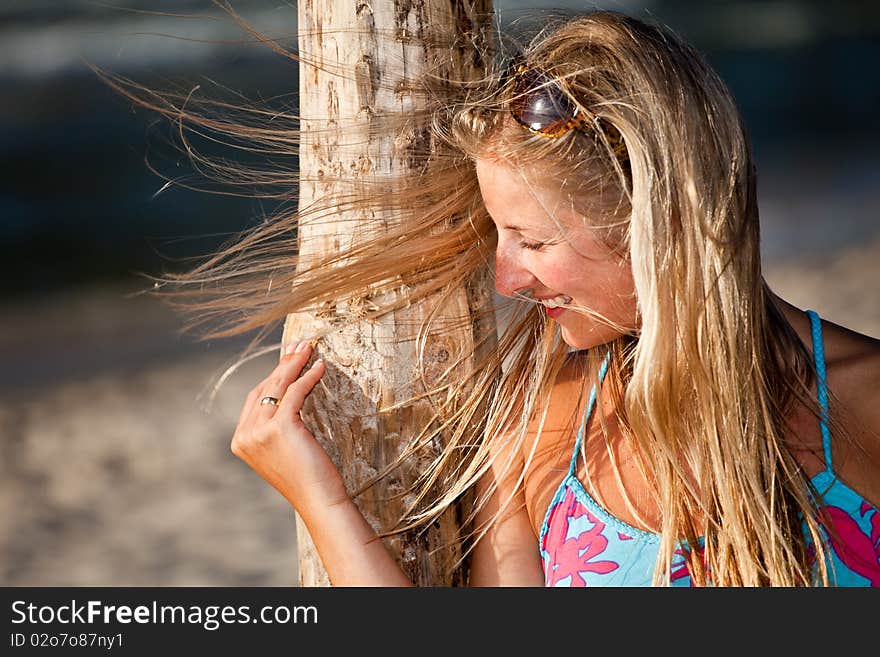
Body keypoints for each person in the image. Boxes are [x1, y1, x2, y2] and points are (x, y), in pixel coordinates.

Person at [150, 9, 880, 585]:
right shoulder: (542, 421)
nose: (506, 279)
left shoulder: (864, 404)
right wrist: (323, 502)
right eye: (499, 237)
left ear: (657, 229)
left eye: (531, 242)